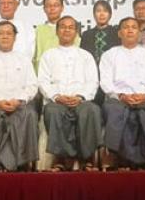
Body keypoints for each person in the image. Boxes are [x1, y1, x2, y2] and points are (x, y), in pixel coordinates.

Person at [100, 17, 145, 170]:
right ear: (119, 33)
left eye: (134, 27)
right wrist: (121, 96)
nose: (130, 30)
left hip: (144, 98)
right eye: (126, 27)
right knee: (114, 110)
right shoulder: (109, 55)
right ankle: (116, 158)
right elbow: (105, 81)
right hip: (118, 98)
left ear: (139, 33)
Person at [38, 16, 101, 171]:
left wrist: (80, 97)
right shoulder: (48, 55)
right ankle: (60, 159)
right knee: (53, 111)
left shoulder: (86, 56)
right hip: (57, 101)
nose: (67, 30)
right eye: (63, 27)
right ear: (57, 31)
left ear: (76, 32)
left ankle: (87, 158)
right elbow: (43, 81)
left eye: (71, 27)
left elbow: (93, 81)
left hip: (81, 101)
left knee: (91, 110)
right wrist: (57, 96)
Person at [0, 21, 39, 171]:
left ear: (15, 37)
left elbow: (32, 86)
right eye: (1, 33)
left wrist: (18, 100)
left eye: (8, 33)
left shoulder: (24, 60)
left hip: (19, 103)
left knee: (29, 114)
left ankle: (23, 162)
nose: (5, 36)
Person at [80, 0, 119, 105]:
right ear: (94, 14)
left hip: (111, 76)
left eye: (105, 11)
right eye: (98, 11)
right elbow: (82, 57)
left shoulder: (117, 33)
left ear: (110, 14)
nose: (102, 14)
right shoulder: (86, 34)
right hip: (92, 75)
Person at [33, 0, 79, 70]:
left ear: (62, 8)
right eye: (49, 6)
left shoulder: (70, 30)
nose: (52, 8)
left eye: (56, 5)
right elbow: (34, 55)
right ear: (44, 9)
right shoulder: (38, 30)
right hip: (43, 72)